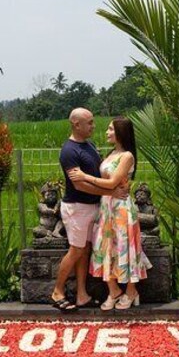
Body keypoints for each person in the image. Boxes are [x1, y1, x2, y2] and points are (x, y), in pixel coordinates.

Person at [68, 117, 152, 310]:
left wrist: (84, 176)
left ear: (120, 132)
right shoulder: (111, 153)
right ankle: (113, 290)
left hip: (121, 209)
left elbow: (113, 182)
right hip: (106, 206)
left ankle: (131, 290)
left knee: (124, 246)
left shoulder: (127, 156)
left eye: (110, 129)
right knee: (104, 247)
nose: (106, 132)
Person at [50, 108, 125, 312]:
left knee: (85, 251)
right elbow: (79, 185)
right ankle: (57, 291)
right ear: (76, 125)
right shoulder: (69, 151)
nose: (93, 126)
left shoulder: (89, 146)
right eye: (89, 123)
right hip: (77, 207)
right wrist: (109, 191)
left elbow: (92, 175)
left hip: (93, 206)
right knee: (76, 250)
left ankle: (82, 294)